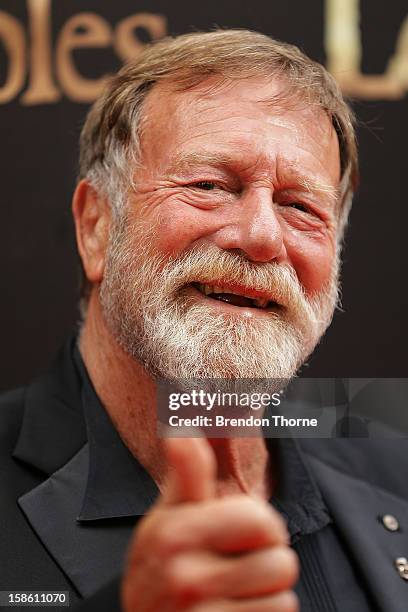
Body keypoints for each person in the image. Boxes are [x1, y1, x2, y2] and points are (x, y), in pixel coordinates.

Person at [1, 29, 407, 612]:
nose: (264, 237)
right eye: (210, 186)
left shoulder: (394, 473)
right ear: (96, 226)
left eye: (300, 206)